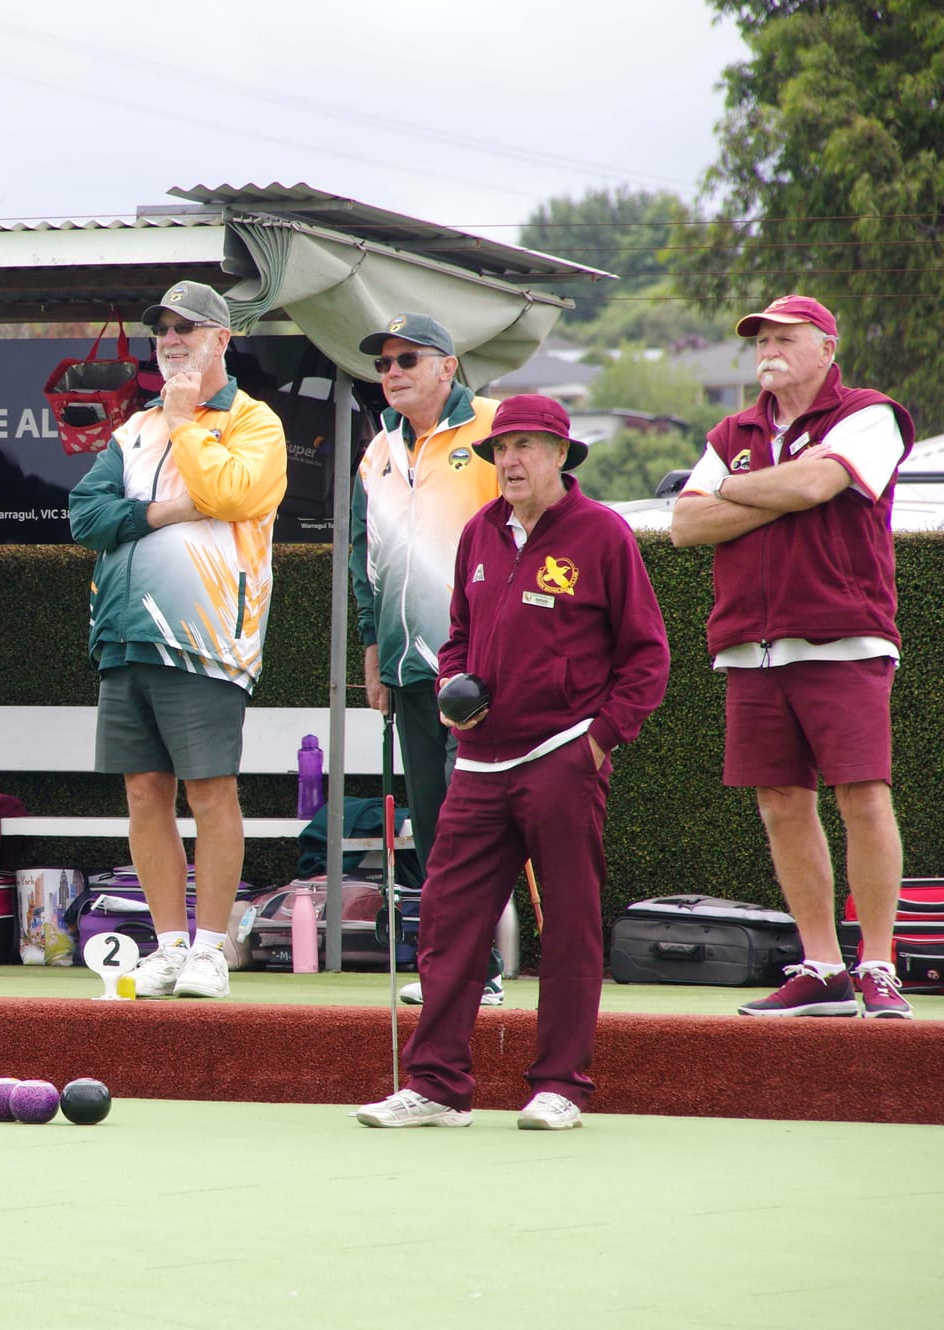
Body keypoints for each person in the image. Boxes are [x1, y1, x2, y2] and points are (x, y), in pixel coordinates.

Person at [356, 395, 669, 1131]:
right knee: (446, 918)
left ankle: (561, 1085)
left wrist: (599, 739)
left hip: (564, 758)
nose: (512, 460)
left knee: (568, 925)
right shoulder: (478, 533)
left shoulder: (603, 535)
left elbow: (647, 656)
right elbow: (456, 637)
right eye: (502, 448)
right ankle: (435, 1088)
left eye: (528, 446)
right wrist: (448, 687)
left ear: (562, 455)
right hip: (479, 764)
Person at [669, 295, 917, 1019]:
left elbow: (818, 482)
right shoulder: (733, 429)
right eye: (761, 339)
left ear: (825, 349)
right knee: (780, 804)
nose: (768, 349)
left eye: (785, 337)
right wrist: (782, 487)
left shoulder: (871, 414)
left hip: (843, 633)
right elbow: (685, 523)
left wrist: (737, 491)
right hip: (750, 643)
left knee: (863, 796)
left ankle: (878, 965)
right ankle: (824, 968)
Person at [68, 279, 287, 1000]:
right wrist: (160, 512)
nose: (171, 339)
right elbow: (86, 518)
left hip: (206, 642)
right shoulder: (132, 429)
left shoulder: (256, 424)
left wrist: (189, 423)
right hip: (125, 637)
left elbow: (226, 496)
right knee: (142, 794)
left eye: (187, 328)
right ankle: (165, 947)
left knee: (210, 793)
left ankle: (211, 951)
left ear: (223, 339)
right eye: (163, 329)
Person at [350, 313, 505, 1006]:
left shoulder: (497, 428)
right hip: (412, 668)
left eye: (407, 359)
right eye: (384, 363)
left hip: (485, 666)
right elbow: (367, 558)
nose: (392, 372)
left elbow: (536, 535)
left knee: (477, 820)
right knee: (435, 820)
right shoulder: (376, 450)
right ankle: (454, 969)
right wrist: (371, 648)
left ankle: (484, 974)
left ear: (448, 366)